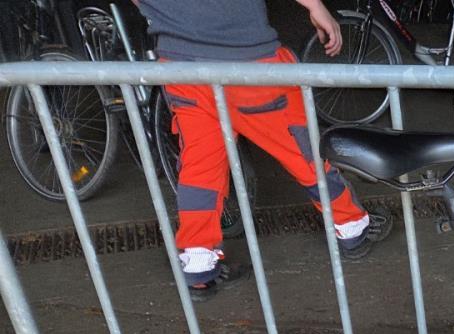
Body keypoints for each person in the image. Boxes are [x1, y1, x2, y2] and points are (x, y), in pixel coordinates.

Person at [134, 0, 392, 296]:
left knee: (199, 169)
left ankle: (198, 261)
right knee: (303, 153)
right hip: (251, 63)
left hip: (182, 69)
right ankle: (351, 227)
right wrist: (315, 6)